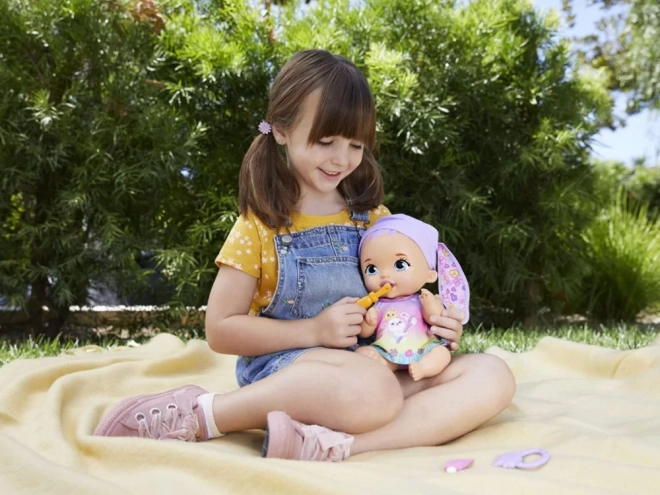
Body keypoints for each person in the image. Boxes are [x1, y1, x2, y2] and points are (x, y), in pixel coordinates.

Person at [94, 49, 516, 462]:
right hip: (295, 371)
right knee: (374, 390)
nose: (341, 159)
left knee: (491, 375)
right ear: (281, 129)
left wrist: (436, 328)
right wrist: (314, 331)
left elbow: (402, 293)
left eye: (355, 145)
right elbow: (220, 329)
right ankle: (207, 414)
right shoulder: (259, 226)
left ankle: (329, 446)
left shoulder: (375, 220)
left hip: (377, 368)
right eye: (326, 141)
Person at [355, 214, 470, 382]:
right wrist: (370, 322)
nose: (385, 274)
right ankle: (385, 364)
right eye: (372, 269)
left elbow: (433, 317)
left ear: (430, 275)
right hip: (387, 350)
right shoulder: (378, 305)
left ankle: (424, 367)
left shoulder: (419, 300)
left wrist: (429, 304)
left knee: (442, 353)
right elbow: (365, 333)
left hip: (423, 348)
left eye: (400, 265)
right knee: (362, 353)